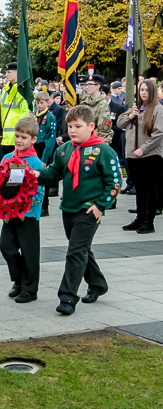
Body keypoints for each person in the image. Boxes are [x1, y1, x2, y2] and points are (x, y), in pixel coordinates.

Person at [34, 105, 120, 315]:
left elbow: (115, 182)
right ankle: (98, 283)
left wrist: (101, 205)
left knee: (75, 252)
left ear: (91, 126)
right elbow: (54, 172)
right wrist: (37, 175)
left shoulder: (103, 151)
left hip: (89, 209)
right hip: (69, 208)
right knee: (80, 249)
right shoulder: (64, 150)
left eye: (78, 126)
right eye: (70, 126)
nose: (72, 130)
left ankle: (68, 297)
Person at [0, 117, 44, 303]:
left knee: (30, 252)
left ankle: (30, 289)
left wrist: (25, 202)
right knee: (5, 245)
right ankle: (19, 279)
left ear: (33, 140)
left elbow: (39, 192)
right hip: (9, 214)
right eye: (17, 136)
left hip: (28, 214)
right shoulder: (7, 158)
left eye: (24, 137)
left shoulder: (35, 163)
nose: (19, 140)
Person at [117, 79, 163, 233]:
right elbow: (119, 123)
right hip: (132, 154)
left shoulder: (157, 109)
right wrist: (131, 115)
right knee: (139, 188)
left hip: (149, 155)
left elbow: (159, 133)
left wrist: (143, 148)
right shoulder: (136, 108)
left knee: (149, 189)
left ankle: (149, 221)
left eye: (146, 90)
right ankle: (139, 218)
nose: (143, 93)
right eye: (141, 90)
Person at [0, 62, 30, 155]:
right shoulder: (5, 90)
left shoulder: (22, 91)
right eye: (6, 72)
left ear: (17, 73)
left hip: (17, 137)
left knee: (16, 166)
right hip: (5, 137)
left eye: (9, 72)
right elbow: (1, 110)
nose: (6, 75)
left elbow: (25, 114)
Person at [34, 91, 58, 216]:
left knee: (44, 177)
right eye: (37, 103)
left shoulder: (50, 117)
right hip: (35, 147)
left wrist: (44, 158)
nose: (39, 105)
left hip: (44, 148)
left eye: (42, 103)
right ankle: (35, 201)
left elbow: (50, 139)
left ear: (47, 103)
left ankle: (45, 205)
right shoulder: (35, 116)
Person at [80, 74, 113, 144]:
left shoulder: (102, 104)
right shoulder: (84, 101)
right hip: (82, 139)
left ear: (98, 86)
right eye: (86, 85)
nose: (87, 87)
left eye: (90, 84)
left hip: (94, 141)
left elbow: (104, 130)